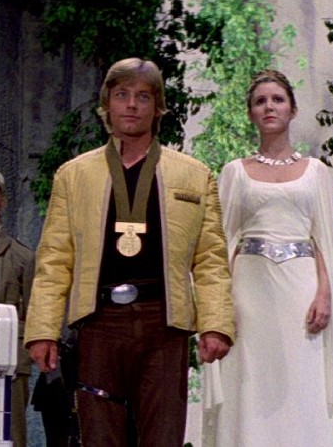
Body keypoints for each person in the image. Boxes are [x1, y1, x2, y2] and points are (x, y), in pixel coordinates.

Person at [23, 57, 236, 446]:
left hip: (165, 324)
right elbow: (54, 260)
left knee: (163, 436)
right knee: (99, 436)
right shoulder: (75, 175)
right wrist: (43, 331)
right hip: (99, 323)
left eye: (143, 96)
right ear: (107, 104)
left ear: (158, 107)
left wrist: (215, 324)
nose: (132, 105)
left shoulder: (193, 174)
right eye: (122, 95)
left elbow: (210, 260)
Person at [211, 70, 333, 446]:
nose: (269, 107)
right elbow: (223, 242)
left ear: (293, 109)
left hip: (302, 293)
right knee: (251, 381)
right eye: (260, 101)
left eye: (277, 99)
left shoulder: (316, 172)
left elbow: (325, 241)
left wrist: (324, 293)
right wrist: (220, 308)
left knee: (303, 380)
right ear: (251, 113)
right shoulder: (234, 173)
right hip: (249, 293)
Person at [0, 169, 34, 447]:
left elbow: (35, 317)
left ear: (2, 201)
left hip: (8, 367)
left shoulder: (22, 258)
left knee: (10, 438)